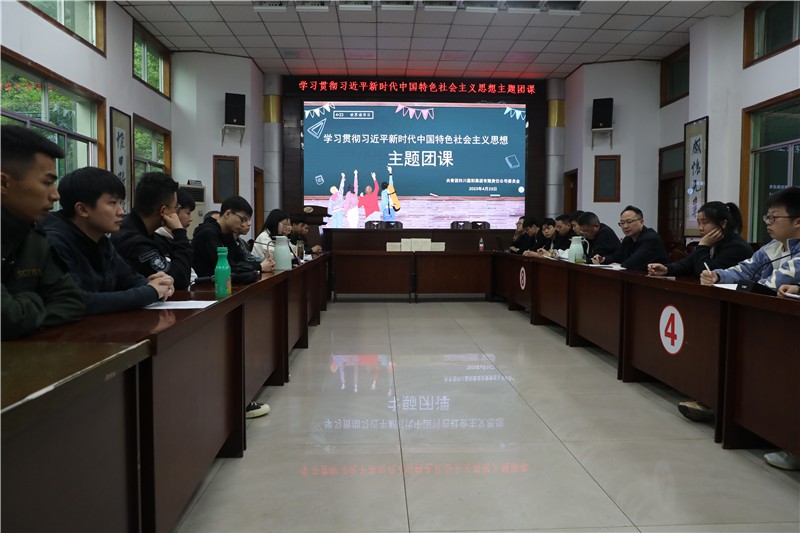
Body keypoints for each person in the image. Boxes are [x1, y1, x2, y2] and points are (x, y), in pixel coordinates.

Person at [40, 166, 175, 314]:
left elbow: (130, 279)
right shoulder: (53, 242)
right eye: (112, 203)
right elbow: (78, 301)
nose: (121, 212)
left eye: (120, 203)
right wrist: (150, 292)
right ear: (82, 209)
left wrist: (158, 282)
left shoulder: (101, 241)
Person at [1, 125, 85, 339]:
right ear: (3, 183)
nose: (56, 195)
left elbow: (73, 302)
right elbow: (6, 317)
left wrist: (24, 311)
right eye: (47, 182)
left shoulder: (32, 236)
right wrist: (38, 301)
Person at [700, 187, 800, 291]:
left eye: (773, 218)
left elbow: (774, 283)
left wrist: (749, 286)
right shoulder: (773, 246)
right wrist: (717, 276)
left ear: (798, 222)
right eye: (767, 217)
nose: (767, 222)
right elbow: (746, 270)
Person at [111, 172, 193, 290]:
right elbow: (179, 280)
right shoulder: (133, 241)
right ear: (163, 211)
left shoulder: (141, 231)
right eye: (175, 207)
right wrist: (180, 232)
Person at [647, 201, 752, 278]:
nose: (700, 228)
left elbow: (705, 273)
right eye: (698, 223)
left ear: (723, 223)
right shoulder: (712, 242)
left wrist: (703, 247)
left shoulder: (737, 247)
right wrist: (666, 269)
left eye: (705, 222)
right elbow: (686, 265)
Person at [193, 195, 274, 282]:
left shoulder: (227, 234)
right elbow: (227, 268)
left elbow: (241, 260)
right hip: (206, 286)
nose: (244, 224)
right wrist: (259, 267)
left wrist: (263, 264)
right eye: (243, 219)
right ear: (228, 214)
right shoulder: (207, 233)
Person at [592, 205, 668, 271]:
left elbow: (633, 262)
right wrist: (603, 259)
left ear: (641, 222)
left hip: (656, 279)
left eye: (629, 222)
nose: (625, 226)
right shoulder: (628, 239)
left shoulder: (651, 239)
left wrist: (620, 265)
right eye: (622, 223)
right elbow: (618, 256)